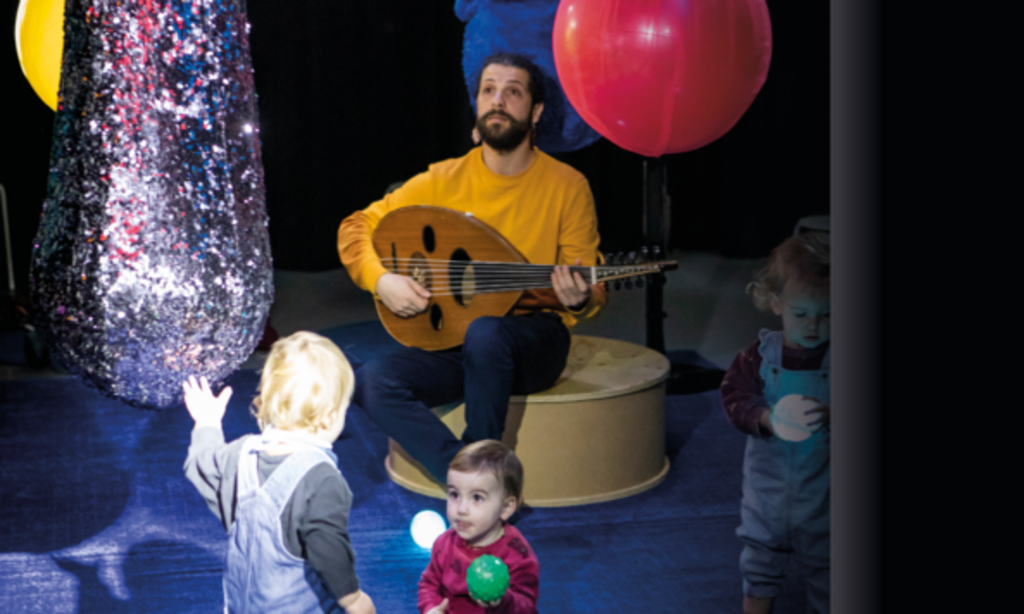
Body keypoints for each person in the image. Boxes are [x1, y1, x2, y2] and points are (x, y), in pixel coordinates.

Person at [337, 52, 607, 482]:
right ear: (477, 105)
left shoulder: (568, 185)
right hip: (457, 343)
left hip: (532, 341)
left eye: (513, 92)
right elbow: (356, 227)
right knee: (373, 380)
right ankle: (471, 481)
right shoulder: (443, 180)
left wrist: (580, 297)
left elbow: (590, 284)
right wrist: (382, 280)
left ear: (535, 111)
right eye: (488, 91)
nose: (498, 100)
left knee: (487, 330)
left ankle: (482, 463)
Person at [182, 331, 375, 614]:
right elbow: (328, 551)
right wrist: (353, 599)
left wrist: (207, 423)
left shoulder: (241, 452)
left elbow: (201, 464)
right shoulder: (322, 479)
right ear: (331, 414)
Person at [719, 232, 831, 614]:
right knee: (760, 561)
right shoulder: (759, 356)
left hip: (827, 497)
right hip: (768, 494)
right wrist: (766, 417)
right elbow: (734, 397)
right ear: (776, 303)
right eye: (801, 314)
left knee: (830, 568)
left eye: (828, 314)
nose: (814, 325)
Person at [418, 440, 539, 613]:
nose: (461, 509)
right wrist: (432, 608)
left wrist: (502, 600)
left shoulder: (518, 554)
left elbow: (526, 605)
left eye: (477, 497)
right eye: (454, 494)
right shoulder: (444, 543)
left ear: (505, 508)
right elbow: (429, 584)